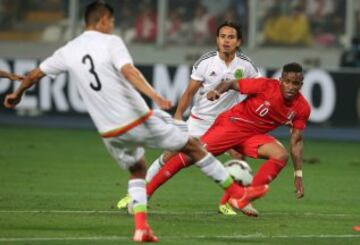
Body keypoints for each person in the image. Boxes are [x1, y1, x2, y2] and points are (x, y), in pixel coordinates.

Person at [3, 1, 268, 243]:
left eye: (230, 37)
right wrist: (157, 98)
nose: (113, 26)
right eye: (112, 21)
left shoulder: (67, 50)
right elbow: (130, 71)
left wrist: (16, 94)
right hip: (142, 118)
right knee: (189, 149)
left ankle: (141, 225)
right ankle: (238, 193)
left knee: (137, 168)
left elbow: (34, 75)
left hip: (109, 132)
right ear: (104, 20)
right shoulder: (112, 42)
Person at [118, 21, 261, 216]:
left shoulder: (247, 66)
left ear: (238, 41)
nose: (226, 41)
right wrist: (178, 120)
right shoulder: (206, 62)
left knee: (238, 157)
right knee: (170, 154)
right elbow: (188, 93)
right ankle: (138, 194)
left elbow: (258, 92)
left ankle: (227, 202)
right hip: (200, 120)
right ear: (217, 39)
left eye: (231, 37)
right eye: (222, 37)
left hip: (228, 122)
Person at [141, 62, 311, 215]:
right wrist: (216, 91)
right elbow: (231, 83)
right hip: (231, 126)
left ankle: (242, 199)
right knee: (190, 155)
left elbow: (296, 142)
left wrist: (298, 175)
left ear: (301, 85)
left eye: (295, 83)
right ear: (280, 80)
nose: (290, 87)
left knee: (280, 155)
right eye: (287, 81)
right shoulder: (265, 85)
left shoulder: (302, 108)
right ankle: (145, 194)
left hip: (252, 137)